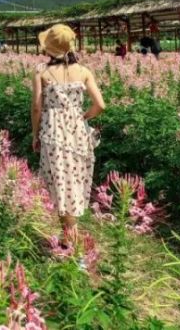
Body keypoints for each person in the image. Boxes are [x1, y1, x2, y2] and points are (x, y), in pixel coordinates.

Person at [32, 24, 106, 234]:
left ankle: (71, 241)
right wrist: (83, 116)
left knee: (59, 182)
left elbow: (37, 107)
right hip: (78, 132)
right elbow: (100, 105)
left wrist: (35, 134)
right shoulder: (84, 71)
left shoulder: (41, 71)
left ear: (48, 48)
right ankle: (68, 238)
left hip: (53, 130)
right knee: (73, 180)